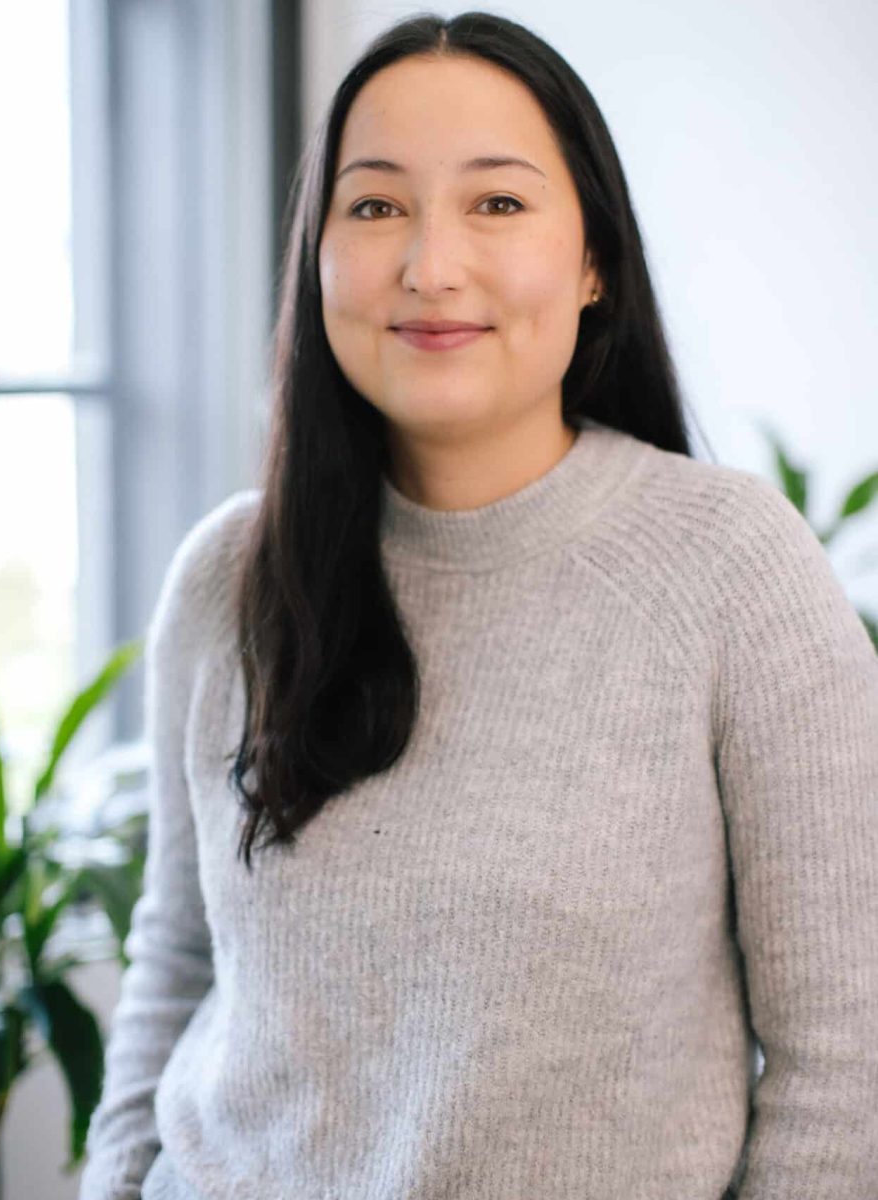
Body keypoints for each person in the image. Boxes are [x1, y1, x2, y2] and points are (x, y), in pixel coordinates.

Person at [78, 11, 878, 1200]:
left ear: (595, 257)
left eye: (496, 204)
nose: (429, 266)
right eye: (376, 205)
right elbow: (177, 968)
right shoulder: (229, 575)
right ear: (317, 254)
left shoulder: (729, 566)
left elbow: (845, 1058)